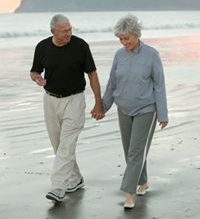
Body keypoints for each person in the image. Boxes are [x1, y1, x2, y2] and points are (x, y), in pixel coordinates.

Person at [96, 14, 168, 209]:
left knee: (135, 151)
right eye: (120, 38)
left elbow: (159, 84)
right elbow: (112, 83)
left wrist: (163, 113)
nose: (123, 42)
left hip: (146, 109)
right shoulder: (119, 55)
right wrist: (103, 106)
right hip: (124, 108)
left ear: (136, 35)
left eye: (126, 38)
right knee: (130, 152)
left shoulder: (151, 54)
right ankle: (143, 181)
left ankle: (129, 193)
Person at [30, 14, 104, 203]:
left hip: (75, 101)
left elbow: (92, 74)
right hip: (50, 101)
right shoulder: (42, 47)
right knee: (59, 145)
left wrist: (98, 102)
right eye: (64, 31)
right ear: (53, 31)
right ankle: (76, 178)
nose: (68, 34)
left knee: (66, 144)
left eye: (70, 29)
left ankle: (58, 187)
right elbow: (34, 71)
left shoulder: (80, 46)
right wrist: (37, 78)